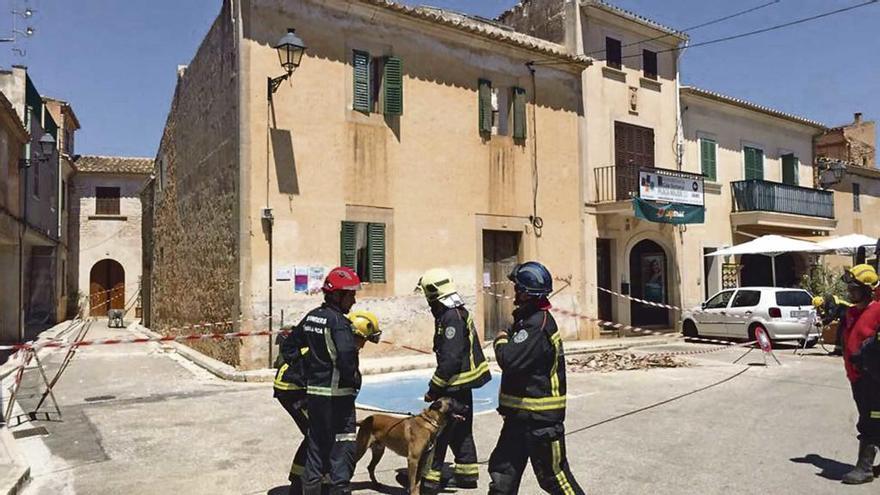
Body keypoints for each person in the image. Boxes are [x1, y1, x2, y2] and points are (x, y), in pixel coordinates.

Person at [488, 262, 585, 495]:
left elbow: (509, 360)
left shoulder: (536, 326)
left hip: (540, 422)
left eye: (517, 287)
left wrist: (501, 337)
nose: (513, 292)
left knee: (554, 478)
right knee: (503, 474)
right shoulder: (528, 321)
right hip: (518, 419)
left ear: (525, 292)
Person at [274, 309, 381, 494]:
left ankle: (311, 480)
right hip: (293, 391)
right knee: (315, 435)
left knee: (316, 435)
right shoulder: (329, 348)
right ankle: (299, 483)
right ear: (355, 333)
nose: (363, 345)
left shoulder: (337, 345)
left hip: (300, 390)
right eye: (363, 339)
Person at [415, 269, 491, 493]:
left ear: (433, 293)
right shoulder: (456, 312)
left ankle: (429, 481)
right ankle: (467, 476)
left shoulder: (450, 317)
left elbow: (450, 360)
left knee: (436, 434)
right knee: (462, 431)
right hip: (463, 386)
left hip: (453, 386)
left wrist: (433, 388)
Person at [300, 266, 366, 495]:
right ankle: (339, 490)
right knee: (343, 446)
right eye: (351, 295)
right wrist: (355, 379)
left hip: (315, 395)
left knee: (316, 446)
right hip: (338, 397)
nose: (354, 301)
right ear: (337, 295)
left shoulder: (311, 317)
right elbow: (347, 359)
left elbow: (290, 348)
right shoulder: (339, 323)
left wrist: (307, 372)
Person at [839, 264, 880, 485]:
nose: (850, 294)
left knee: (871, 421)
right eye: (850, 290)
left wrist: (866, 353)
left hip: (873, 378)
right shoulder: (852, 312)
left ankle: (864, 469)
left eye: (855, 290)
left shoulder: (878, 310)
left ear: (867, 290)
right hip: (857, 378)